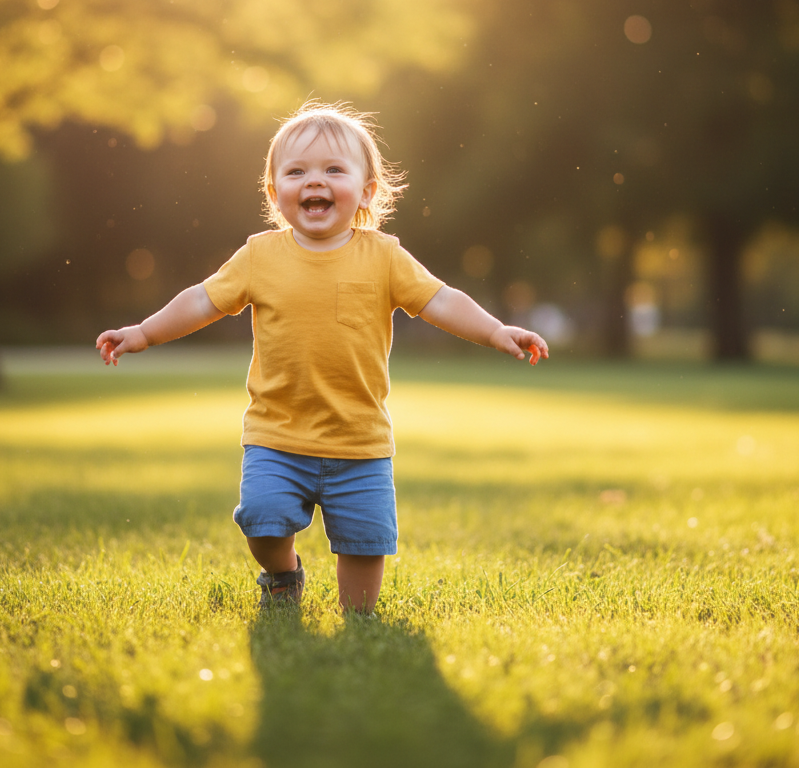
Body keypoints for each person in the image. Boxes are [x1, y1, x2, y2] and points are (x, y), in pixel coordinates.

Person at [96, 102, 548, 614]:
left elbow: (441, 300)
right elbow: (201, 299)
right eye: (296, 172)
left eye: (334, 170)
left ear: (367, 190)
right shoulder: (258, 257)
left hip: (359, 439)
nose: (315, 181)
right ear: (274, 193)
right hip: (277, 435)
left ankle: (358, 621)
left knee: (364, 546)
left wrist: (495, 331)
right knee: (262, 521)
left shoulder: (384, 256)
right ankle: (283, 573)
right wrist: (143, 332)